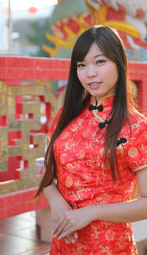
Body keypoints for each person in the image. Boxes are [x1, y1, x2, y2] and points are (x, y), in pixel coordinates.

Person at [36, 25, 147, 254]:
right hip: (64, 242)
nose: (90, 73)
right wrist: (57, 203)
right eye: (81, 65)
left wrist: (91, 212)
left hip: (109, 246)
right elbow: (47, 172)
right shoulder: (67, 114)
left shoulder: (137, 127)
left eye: (99, 62)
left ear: (119, 63)